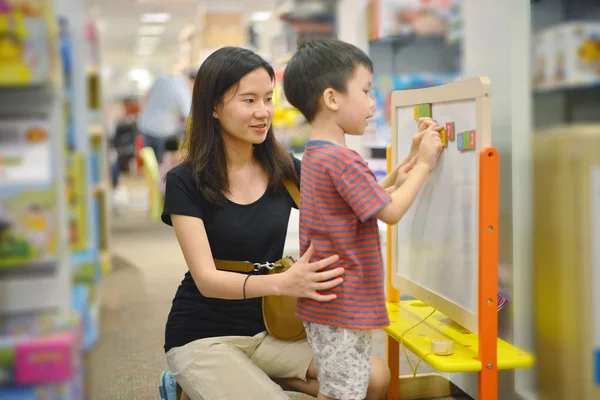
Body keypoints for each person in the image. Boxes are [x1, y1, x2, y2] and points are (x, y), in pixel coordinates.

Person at [159, 46, 395, 400]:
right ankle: (192, 380)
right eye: (249, 100)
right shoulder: (185, 180)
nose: (263, 112)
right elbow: (206, 280)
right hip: (204, 333)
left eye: (268, 99)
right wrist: (285, 282)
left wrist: (407, 171)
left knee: (374, 379)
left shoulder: (287, 170)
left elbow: (361, 199)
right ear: (213, 106)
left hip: (273, 329)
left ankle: (258, 381)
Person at [283, 38, 443, 400]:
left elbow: (367, 198)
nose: (373, 102)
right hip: (342, 302)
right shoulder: (340, 159)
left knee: (343, 387)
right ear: (332, 98)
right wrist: (426, 164)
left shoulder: (319, 153)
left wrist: (412, 158)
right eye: (367, 91)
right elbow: (390, 210)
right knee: (343, 393)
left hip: (332, 302)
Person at [137, 69, 195, 163]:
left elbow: (146, 96)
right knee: (163, 167)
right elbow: (189, 115)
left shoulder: (162, 78)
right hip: (162, 132)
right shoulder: (183, 90)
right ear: (192, 82)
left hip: (145, 127)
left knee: (150, 164)